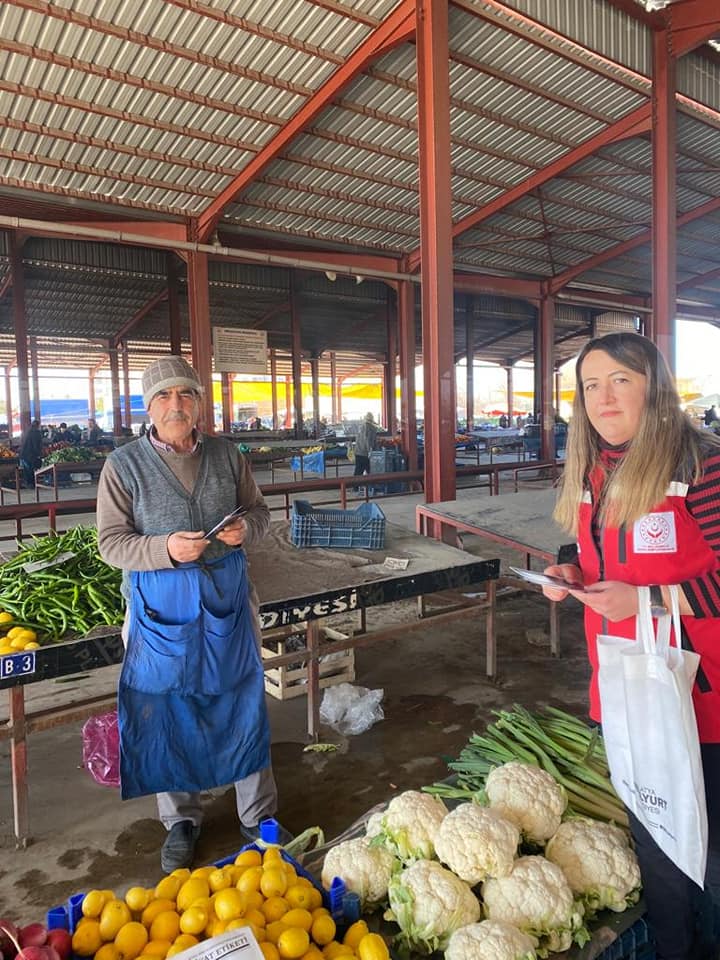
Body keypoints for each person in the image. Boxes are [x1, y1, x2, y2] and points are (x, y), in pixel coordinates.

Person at [543, 331, 720, 960]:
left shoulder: (701, 466)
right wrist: (570, 573)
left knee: (710, 851)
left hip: (699, 698)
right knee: (657, 844)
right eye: (591, 385)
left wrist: (647, 603)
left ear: (655, 387)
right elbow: (598, 553)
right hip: (626, 688)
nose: (603, 397)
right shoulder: (594, 468)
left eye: (620, 379)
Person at [96, 356, 282, 873]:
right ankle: (181, 821)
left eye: (185, 394)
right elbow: (111, 543)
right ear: (148, 407)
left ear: (199, 403)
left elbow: (260, 512)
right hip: (160, 604)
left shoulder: (227, 455)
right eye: (164, 395)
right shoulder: (123, 466)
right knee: (167, 706)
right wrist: (165, 549)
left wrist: (246, 532)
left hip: (226, 596)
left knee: (241, 697)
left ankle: (259, 816)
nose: (175, 404)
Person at [18, 418, 43, 486]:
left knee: (26, 470)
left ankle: (27, 483)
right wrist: (39, 454)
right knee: (31, 469)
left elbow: (21, 442)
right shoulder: (37, 432)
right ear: (38, 425)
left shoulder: (25, 431)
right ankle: (31, 483)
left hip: (23, 454)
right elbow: (36, 445)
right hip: (31, 454)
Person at [353, 411, 379, 476]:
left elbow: (359, 439)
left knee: (358, 472)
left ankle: (355, 483)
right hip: (365, 454)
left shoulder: (361, 427)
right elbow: (368, 441)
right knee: (371, 472)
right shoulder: (371, 428)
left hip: (358, 452)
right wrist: (370, 452)